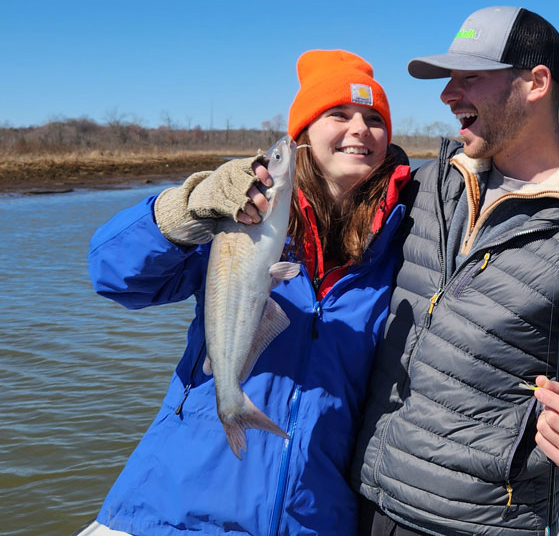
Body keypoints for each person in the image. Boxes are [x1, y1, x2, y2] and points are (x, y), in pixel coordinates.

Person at [352, 6, 559, 535]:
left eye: (470, 78)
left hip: (476, 524)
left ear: (536, 83)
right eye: (449, 79)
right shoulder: (425, 186)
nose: (447, 95)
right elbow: (319, 217)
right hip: (364, 499)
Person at [87, 50, 410, 535]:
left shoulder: (408, 241)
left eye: (373, 119)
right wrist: (188, 210)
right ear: (301, 136)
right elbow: (115, 276)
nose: (359, 129)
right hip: (173, 509)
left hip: (314, 519)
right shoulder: (242, 211)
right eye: (338, 115)